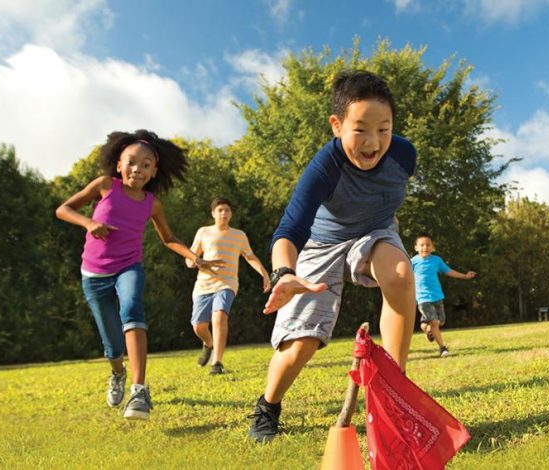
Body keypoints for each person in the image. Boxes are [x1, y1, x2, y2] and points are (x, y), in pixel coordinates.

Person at [248, 71, 417, 443]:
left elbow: (383, 194)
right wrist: (283, 273)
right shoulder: (324, 167)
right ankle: (268, 405)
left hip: (375, 233)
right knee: (301, 344)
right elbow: (288, 231)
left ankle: (392, 394)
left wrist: (386, 225)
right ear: (337, 125)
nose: (374, 143)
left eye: (384, 129)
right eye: (360, 130)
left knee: (401, 274)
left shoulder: (404, 155)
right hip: (322, 244)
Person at [55, 130, 221, 420]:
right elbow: (63, 209)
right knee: (112, 344)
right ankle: (117, 372)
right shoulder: (106, 185)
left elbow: (168, 238)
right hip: (93, 275)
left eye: (146, 165)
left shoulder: (151, 203)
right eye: (131, 162)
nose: (138, 169)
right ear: (119, 164)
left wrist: (194, 256)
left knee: (132, 308)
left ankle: (139, 389)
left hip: (129, 267)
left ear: (154, 171)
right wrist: (88, 222)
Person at [186, 197, 270, 375]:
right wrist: (199, 262)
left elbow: (250, 257)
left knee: (219, 317)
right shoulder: (204, 232)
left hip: (227, 284)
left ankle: (217, 363)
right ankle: (208, 343)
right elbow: (189, 260)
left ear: (231, 214)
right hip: (203, 285)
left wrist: (263, 272)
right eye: (220, 210)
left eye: (227, 210)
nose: (224, 213)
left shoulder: (239, 235)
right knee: (198, 326)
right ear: (213, 213)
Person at [411, 233, 477, 357]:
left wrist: (465, 276)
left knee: (440, 322)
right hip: (422, 298)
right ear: (416, 247)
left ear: (432, 247)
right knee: (435, 322)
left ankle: (425, 327)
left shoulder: (436, 260)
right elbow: (404, 275)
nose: (425, 247)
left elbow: (449, 271)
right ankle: (442, 348)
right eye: (422, 245)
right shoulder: (413, 262)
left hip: (437, 296)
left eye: (428, 245)